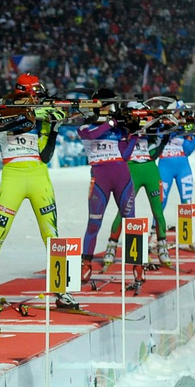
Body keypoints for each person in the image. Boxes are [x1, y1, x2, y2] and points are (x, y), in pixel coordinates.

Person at [0, 73, 77, 307]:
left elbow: (45, 155)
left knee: (52, 234)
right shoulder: (2, 107)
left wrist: (53, 127)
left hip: (38, 175)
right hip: (12, 175)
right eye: (35, 94)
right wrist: (34, 113)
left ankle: (63, 291)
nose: (38, 99)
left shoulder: (39, 114)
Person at [105, 101, 172, 266]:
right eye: (139, 113)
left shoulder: (149, 128)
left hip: (150, 169)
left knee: (158, 211)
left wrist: (163, 138)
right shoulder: (122, 127)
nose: (142, 117)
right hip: (131, 170)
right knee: (124, 210)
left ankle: (162, 246)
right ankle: (111, 246)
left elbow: (153, 154)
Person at [78, 93, 136, 278]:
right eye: (107, 105)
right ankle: (86, 264)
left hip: (122, 176)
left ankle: (138, 266)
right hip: (100, 178)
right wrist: (111, 123)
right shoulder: (85, 126)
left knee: (132, 223)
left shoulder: (117, 129)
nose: (110, 109)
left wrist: (134, 135)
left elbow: (125, 156)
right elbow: (92, 134)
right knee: (94, 224)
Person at [158, 101, 195, 213]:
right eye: (180, 111)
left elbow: (187, 151)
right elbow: (156, 139)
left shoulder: (183, 126)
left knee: (187, 201)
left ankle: (187, 223)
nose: (182, 114)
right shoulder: (161, 123)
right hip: (165, 166)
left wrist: (194, 136)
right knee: (161, 201)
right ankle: (156, 223)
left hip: (183, 166)